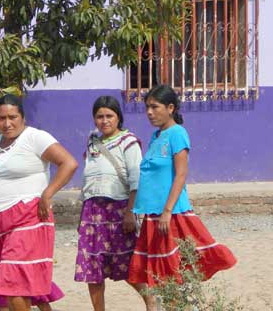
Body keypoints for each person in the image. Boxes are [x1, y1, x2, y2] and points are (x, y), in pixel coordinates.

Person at [0, 94, 78, 311]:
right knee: (13, 282)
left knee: (14, 282)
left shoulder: (35, 137)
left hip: (27, 218)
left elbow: (69, 163)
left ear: (23, 118)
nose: (7, 123)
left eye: (13, 117)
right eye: (1, 118)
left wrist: (47, 194)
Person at [128, 85, 237, 287]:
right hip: (154, 214)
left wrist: (167, 211)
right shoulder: (156, 136)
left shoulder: (178, 133)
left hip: (171, 214)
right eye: (147, 107)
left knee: (173, 270)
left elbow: (181, 173)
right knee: (161, 272)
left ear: (170, 108)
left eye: (155, 107)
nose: (149, 112)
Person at [74, 96, 156, 311]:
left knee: (127, 264)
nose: (104, 120)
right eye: (99, 116)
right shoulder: (92, 143)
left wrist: (130, 212)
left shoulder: (128, 142)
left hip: (118, 210)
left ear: (118, 117)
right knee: (92, 266)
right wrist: (83, 216)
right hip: (92, 212)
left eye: (109, 115)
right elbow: (88, 181)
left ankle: (151, 301)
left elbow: (136, 179)